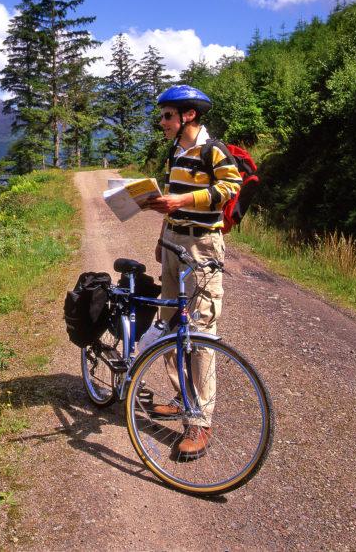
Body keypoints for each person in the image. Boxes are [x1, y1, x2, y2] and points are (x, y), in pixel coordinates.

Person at [145, 85, 242, 459]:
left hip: (201, 245)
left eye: (168, 115)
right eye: (163, 116)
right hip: (173, 239)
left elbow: (230, 186)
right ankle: (182, 396)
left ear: (189, 115)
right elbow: (173, 195)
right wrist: (162, 225)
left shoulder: (211, 149)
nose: (162, 122)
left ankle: (200, 422)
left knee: (200, 330)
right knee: (169, 324)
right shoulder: (175, 151)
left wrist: (183, 200)